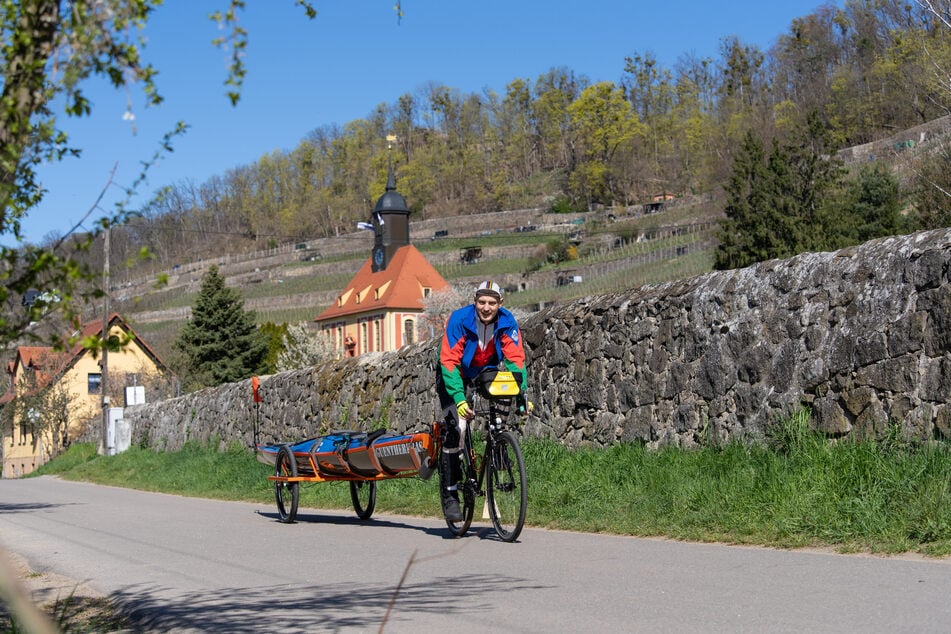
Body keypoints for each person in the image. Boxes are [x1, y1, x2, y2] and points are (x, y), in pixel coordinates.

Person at [436, 281, 529, 521]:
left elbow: (516, 360)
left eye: (492, 303)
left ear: (500, 304)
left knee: (502, 403)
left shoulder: (507, 321)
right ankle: (450, 494)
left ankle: (498, 447)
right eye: (482, 302)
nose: (486, 308)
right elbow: (449, 362)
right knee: (456, 428)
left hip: (484, 371)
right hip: (454, 372)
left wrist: (522, 394)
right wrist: (459, 399)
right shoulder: (460, 319)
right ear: (475, 301)